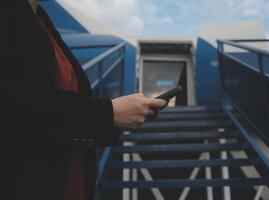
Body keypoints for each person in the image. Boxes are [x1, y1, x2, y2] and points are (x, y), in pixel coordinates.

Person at [0, 0, 167, 200]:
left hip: (69, 182)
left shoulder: (42, 20)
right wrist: (108, 113)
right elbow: (13, 106)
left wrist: (116, 115)